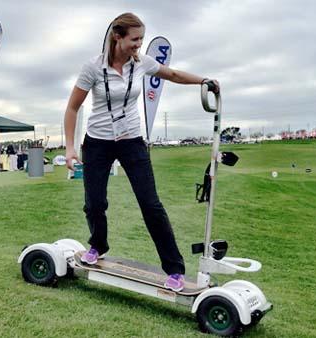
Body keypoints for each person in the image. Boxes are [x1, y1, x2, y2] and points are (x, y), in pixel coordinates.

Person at [63, 12, 221, 292]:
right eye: (135, 39)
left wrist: (204, 81)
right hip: (97, 143)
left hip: (132, 141)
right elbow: (72, 107)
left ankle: (174, 270)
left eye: (142, 39)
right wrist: (71, 147)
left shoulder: (142, 63)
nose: (139, 44)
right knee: (95, 203)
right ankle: (97, 246)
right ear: (117, 36)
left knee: (151, 204)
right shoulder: (92, 68)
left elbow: (172, 74)